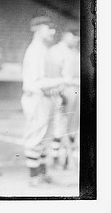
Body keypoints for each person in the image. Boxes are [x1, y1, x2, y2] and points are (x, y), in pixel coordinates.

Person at [21, 15, 64, 187]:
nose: (53, 31)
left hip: (46, 98)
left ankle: (42, 173)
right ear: (38, 29)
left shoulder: (44, 49)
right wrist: (64, 81)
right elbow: (36, 82)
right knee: (35, 137)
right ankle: (33, 177)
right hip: (36, 97)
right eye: (49, 28)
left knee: (44, 137)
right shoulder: (35, 51)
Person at [49, 22, 80, 169]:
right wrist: (59, 92)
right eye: (73, 35)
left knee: (73, 126)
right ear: (65, 34)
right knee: (59, 124)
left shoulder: (76, 52)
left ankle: (68, 159)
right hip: (62, 89)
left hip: (76, 89)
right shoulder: (55, 51)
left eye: (77, 37)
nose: (76, 39)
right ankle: (55, 158)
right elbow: (53, 75)